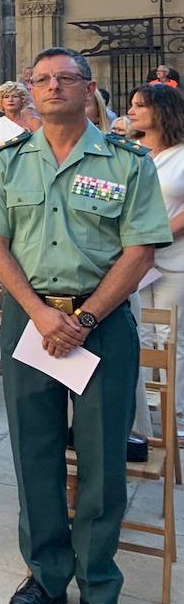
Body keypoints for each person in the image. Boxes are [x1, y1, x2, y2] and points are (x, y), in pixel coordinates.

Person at [0, 47, 170, 604]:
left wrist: (83, 320)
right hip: (29, 322)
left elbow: (141, 248)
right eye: (42, 79)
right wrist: (38, 313)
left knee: (103, 459)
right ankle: (45, 575)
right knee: (34, 452)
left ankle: (101, 585)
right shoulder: (7, 163)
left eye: (66, 78)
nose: (53, 87)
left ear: (88, 89)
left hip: (100, 325)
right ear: (30, 91)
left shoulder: (125, 161)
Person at [125, 82, 184, 442]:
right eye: (131, 105)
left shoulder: (180, 155)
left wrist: (158, 234)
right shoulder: (130, 152)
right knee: (140, 333)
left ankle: (174, 412)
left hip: (172, 259)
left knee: (170, 338)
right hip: (133, 260)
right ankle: (143, 413)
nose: (131, 111)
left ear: (161, 111)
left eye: (139, 105)